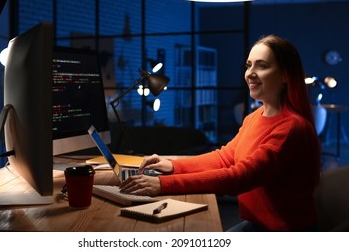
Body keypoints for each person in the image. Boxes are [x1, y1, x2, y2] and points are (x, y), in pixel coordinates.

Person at [119, 34, 321, 232]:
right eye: (248, 65)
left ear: (285, 75)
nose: (250, 73)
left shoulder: (292, 128)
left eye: (262, 65)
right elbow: (225, 158)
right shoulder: (254, 117)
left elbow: (239, 178)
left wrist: (162, 184)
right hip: (257, 225)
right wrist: (172, 165)